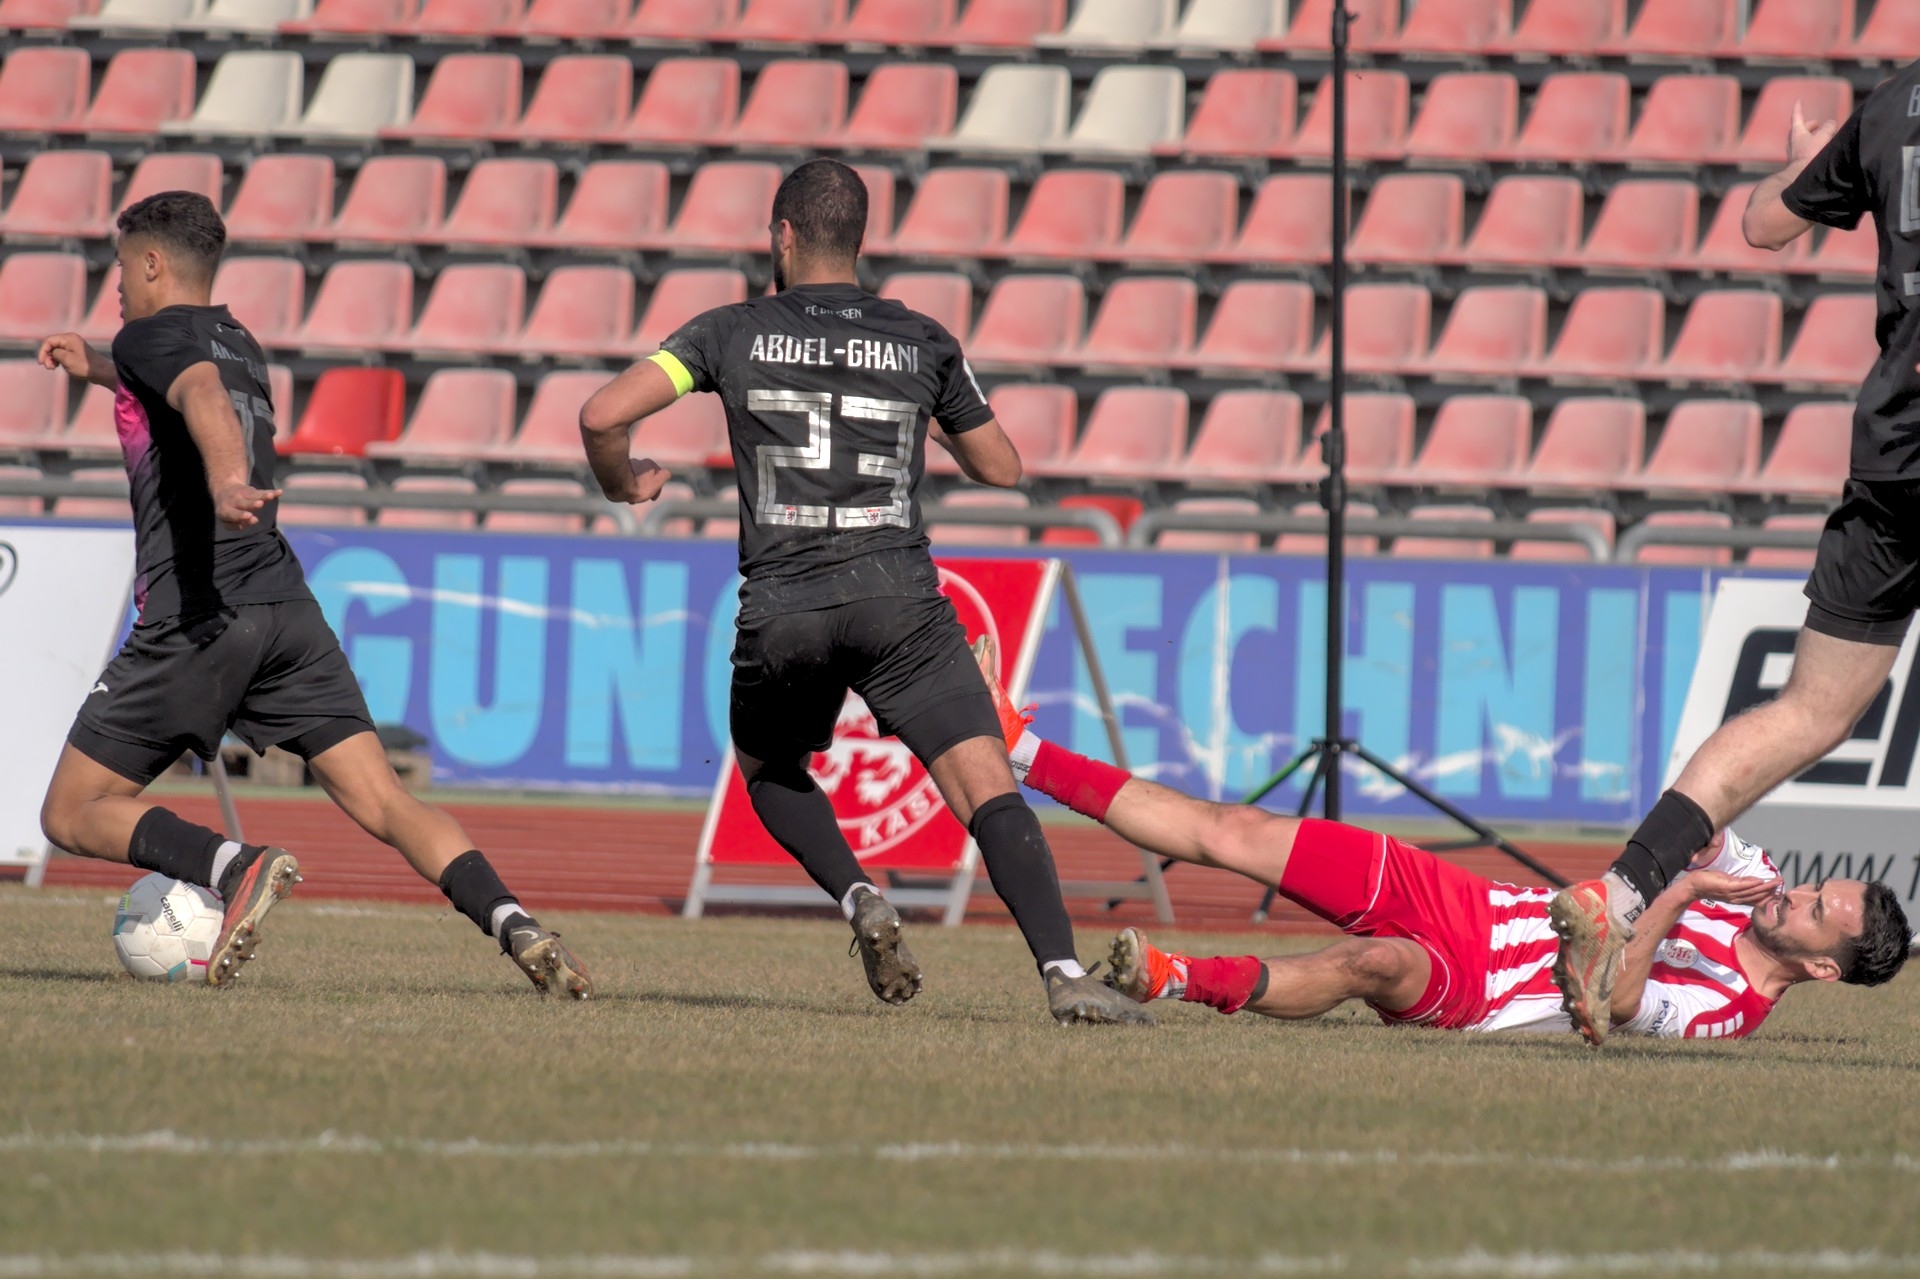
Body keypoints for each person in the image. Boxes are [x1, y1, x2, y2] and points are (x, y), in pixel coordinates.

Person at [578, 158, 1147, 1025]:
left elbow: (601, 414)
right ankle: (1065, 972)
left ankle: (858, 895)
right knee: (985, 785)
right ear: (860, 240)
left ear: (782, 236)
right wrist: (927, 417)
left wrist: (626, 482)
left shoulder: (729, 330)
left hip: (786, 607)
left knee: (770, 768)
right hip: (899, 601)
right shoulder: (921, 338)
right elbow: (1002, 467)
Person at [36, 191, 591, 998]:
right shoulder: (239, 340)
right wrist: (90, 361)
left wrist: (226, 481)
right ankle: (516, 923)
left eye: (121, 267)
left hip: (199, 616)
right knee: (383, 797)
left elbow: (195, 395)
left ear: (153, 263)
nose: (115, 284)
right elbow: (176, 379)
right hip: (286, 610)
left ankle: (235, 865)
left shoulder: (151, 337)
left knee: (72, 809)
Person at [1551, 70, 1920, 1044]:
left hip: (1893, 456)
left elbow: (1764, 225)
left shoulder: (1893, 105)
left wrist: (1809, 164)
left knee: (1809, 712)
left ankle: (1624, 890)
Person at [972, 659, 1912, 1038]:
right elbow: (1696, 814)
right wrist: (1707, 855)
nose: (1796, 895)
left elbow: (1618, 999)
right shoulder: (1756, 885)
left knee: (1370, 964)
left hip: (1480, 989)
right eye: (1815, 886)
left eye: (1815, 910)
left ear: (1821, 968)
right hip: (1465, 897)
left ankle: (1174, 977)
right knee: (1235, 829)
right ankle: (1020, 748)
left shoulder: (1729, 1013)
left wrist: (1681, 889)